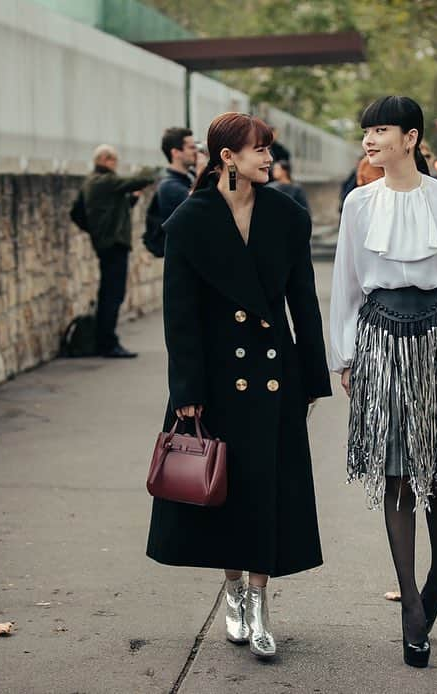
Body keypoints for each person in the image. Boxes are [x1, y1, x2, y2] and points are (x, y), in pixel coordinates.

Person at [146, 112, 332, 661]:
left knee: (268, 490)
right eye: (259, 150)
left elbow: (304, 303)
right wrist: (186, 390)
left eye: (269, 150)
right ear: (227, 157)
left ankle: (261, 602)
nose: (269, 158)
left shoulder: (288, 216)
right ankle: (236, 596)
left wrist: (312, 378)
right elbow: (178, 316)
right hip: (218, 379)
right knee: (228, 490)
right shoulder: (188, 221)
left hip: (276, 378)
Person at [329, 96, 437, 669]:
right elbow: (346, 286)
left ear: (411, 137)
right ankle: (409, 603)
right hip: (379, 341)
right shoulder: (358, 204)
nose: (369, 141)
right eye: (365, 132)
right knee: (397, 469)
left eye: (379, 130)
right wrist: (346, 356)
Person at [80, 144, 156, 358]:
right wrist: (151, 169)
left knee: (109, 292)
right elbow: (136, 181)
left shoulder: (90, 182)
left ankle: (104, 340)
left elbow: (81, 212)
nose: (116, 165)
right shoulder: (105, 180)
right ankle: (107, 343)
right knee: (113, 294)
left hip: (106, 243)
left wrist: (96, 230)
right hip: (114, 245)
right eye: (114, 160)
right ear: (105, 159)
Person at [144, 127, 196, 258]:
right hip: (182, 258)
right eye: (191, 147)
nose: (196, 152)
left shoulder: (190, 176)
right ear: (176, 152)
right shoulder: (169, 186)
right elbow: (199, 207)